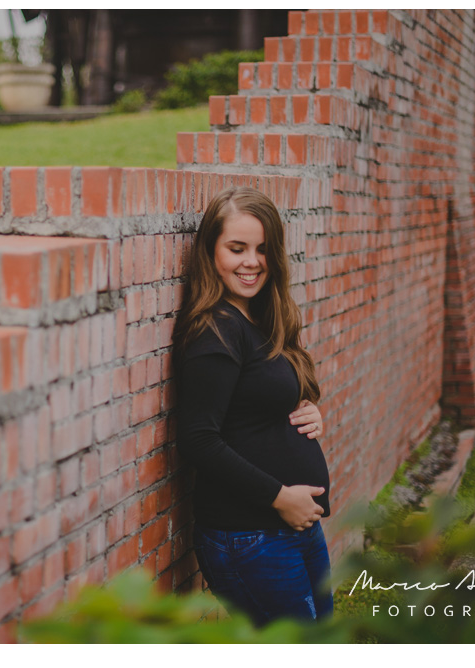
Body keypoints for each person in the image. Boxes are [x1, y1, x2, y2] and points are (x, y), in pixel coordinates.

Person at [171, 186, 333, 628]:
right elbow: (198, 439)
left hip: (290, 526)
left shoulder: (258, 317)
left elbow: (258, 407)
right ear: (210, 251)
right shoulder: (214, 333)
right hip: (250, 533)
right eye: (237, 248)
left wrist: (308, 411)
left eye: (262, 249)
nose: (251, 262)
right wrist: (280, 497)